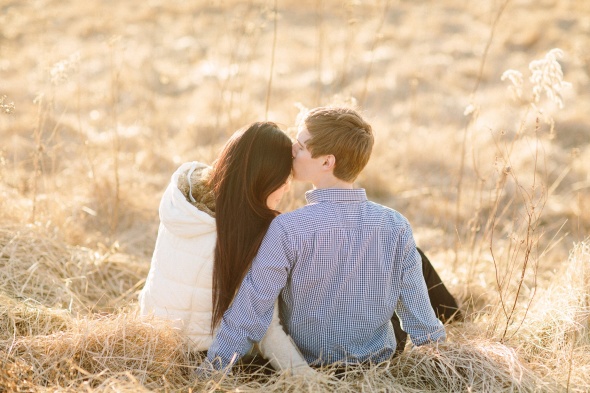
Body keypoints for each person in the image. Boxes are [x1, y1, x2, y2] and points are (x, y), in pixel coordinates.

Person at [202, 106, 452, 373]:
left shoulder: (287, 228)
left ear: (326, 162)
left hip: (313, 369)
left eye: (300, 145)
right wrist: (445, 371)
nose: (292, 150)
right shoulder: (396, 225)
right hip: (378, 368)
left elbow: (249, 313)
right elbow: (422, 323)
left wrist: (209, 373)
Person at [139, 122, 315, 376]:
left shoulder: (182, 204)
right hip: (206, 359)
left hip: (150, 343)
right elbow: (266, 329)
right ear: (262, 180)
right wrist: (310, 379)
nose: (287, 187)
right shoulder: (253, 235)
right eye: (283, 179)